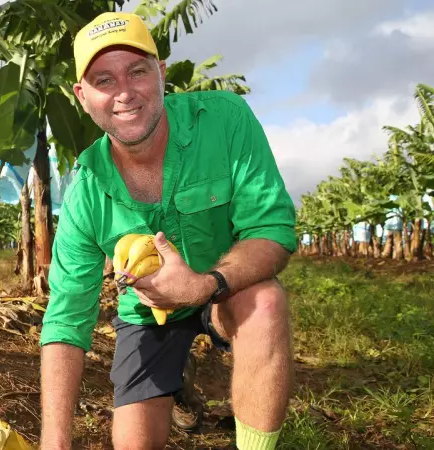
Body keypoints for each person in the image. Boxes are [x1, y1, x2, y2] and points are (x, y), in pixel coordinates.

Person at [38, 11, 297, 450]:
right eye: (104, 80)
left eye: (137, 72)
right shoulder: (86, 189)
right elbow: (66, 318)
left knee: (265, 301)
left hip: (224, 288)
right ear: (82, 95)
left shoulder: (225, 120)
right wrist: (55, 442)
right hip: (146, 314)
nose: (124, 93)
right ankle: (177, 377)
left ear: (160, 73)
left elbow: (271, 231)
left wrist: (204, 285)